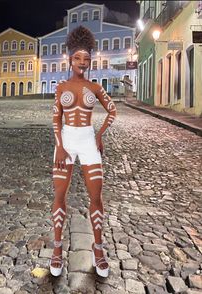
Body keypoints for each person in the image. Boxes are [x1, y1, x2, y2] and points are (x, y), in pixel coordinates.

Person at [49, 26, 117, 278]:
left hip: (88, 138)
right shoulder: (61, 87)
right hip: (67, 138)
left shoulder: (96, 88)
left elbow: (113, 111)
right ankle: (57, 248)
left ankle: (97, 248)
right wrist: (59, 146)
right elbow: (56, 119)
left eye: (87, 58)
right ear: (70, 59)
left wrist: (99, 135)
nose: (82, 62)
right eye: (78, 58)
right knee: (59, 193)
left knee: (96, 195)